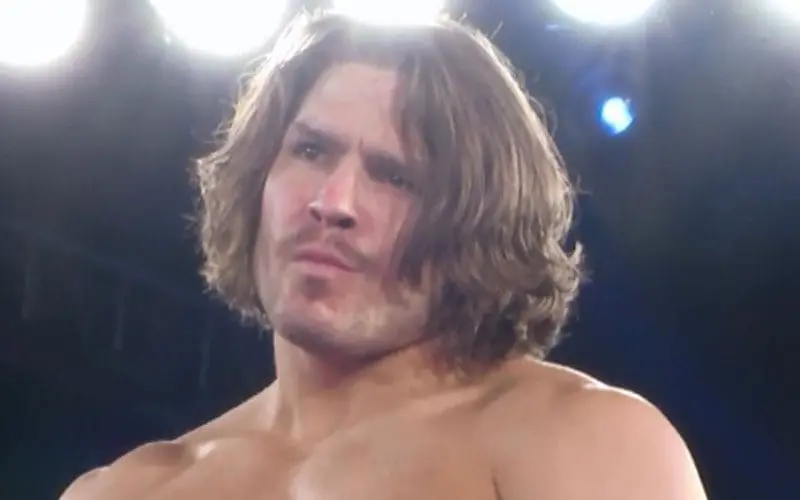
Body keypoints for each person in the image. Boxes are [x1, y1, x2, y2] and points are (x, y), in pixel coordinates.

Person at [62, 9, 707, 500]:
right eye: (311, 151)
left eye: (396, 176)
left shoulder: (579, 438)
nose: (333, 202)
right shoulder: (129, 489)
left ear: (478, 221)